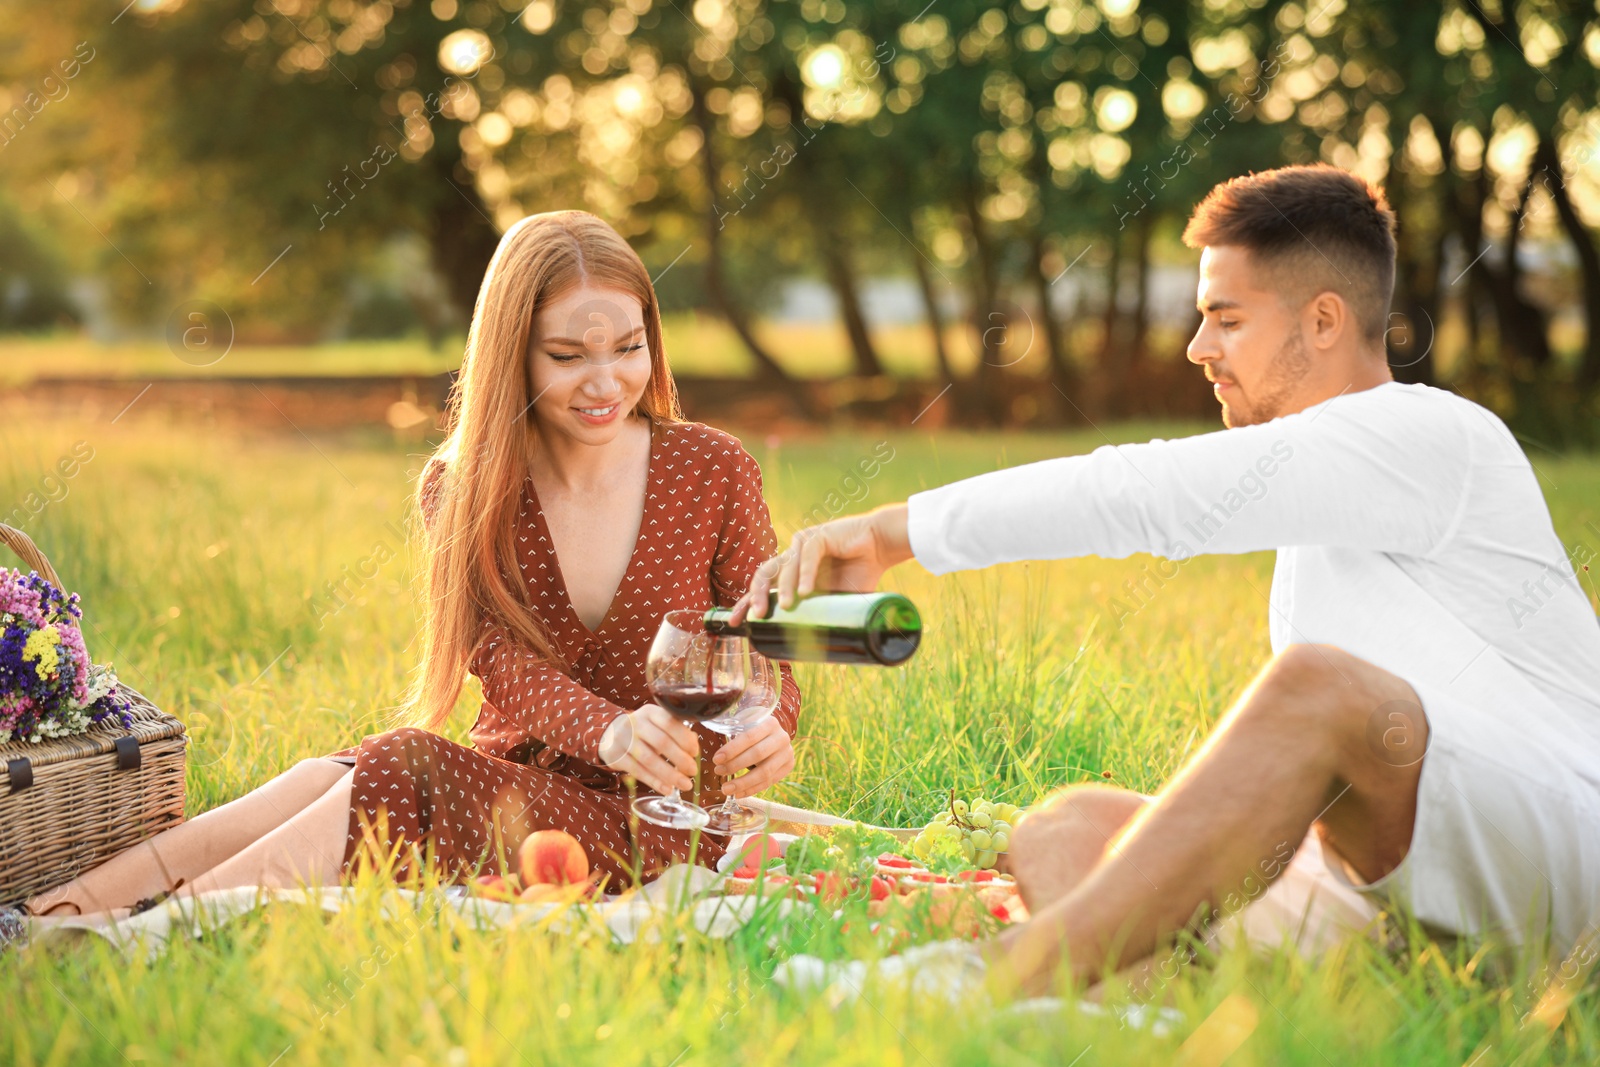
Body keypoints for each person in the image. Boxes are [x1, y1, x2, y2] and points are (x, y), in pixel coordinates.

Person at [733, 164, 1600, 991]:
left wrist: (895, 531)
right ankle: (1135, 1007)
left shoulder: (1432, 438)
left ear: (1324, 321)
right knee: (1067, 830)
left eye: (1227, 318)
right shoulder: (1319, 507)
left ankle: (994, 979)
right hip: (1395, 882)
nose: (1197, 347)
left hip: (1564, 854)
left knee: (1317, 686)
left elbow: (1143, 493)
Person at [19, 211, 801, 926]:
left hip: (659, 817)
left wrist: (773, 724)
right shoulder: (463, 484)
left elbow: (768, 637)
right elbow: (493, 655)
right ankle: (63, 908)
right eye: (568, 355)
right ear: (513, 354)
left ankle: (155, 934)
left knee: (404, 762)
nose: (607, 383)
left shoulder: (712, 467)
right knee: (329, 774)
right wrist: (610, 728)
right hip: (517, 784)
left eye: (628, 348)